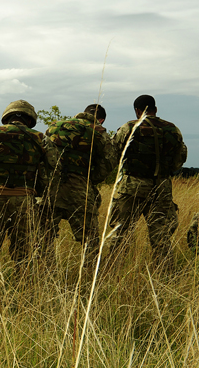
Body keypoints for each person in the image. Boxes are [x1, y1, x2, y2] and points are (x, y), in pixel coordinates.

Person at [102, 95, 186, 268]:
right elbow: (179, 160)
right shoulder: (172, 129)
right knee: (161, 235)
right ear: (155, 109)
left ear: (138, 111)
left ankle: (112, 272)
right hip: (161, 187)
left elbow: (112, 155)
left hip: (132, 186)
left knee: (120, 232)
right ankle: (165, 274)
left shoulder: (130, 127)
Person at [0, 100, 50, 268]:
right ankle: (22, 290)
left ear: (7, 117)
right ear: (29, 120)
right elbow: (49, 168)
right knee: (23, 252)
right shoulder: (40, 138)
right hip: (24, 200)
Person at [38, 103, 116, 272]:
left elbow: (42, 154)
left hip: (51, 189)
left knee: (44, 237)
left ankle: (45, 274)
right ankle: (89, 276)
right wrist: (90, 179)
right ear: (101, 120)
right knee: (90, 240)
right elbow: (109, 163)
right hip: (81, 190)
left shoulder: (54, 127)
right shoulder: (99, 132)